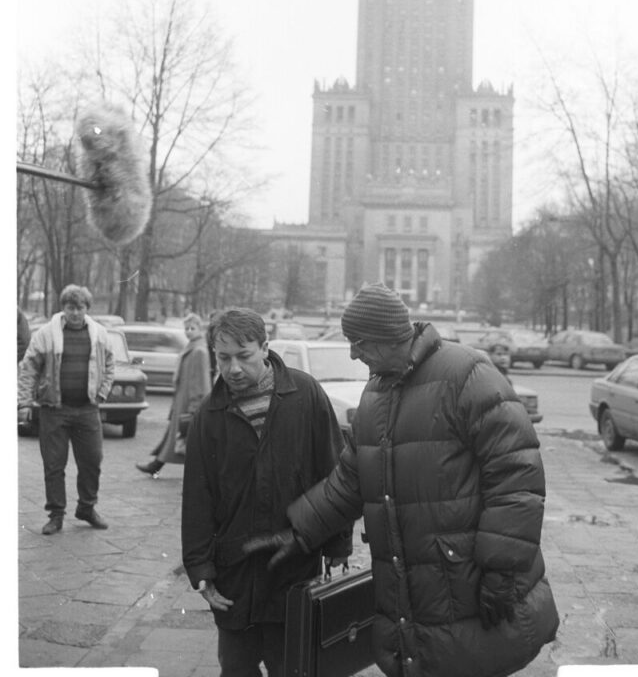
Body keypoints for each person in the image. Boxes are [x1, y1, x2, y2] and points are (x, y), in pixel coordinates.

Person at [244, 283, 559, 677]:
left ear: (389, 336)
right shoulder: (375, 392)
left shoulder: (468, 374)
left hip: (470, 581)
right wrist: (299, 531)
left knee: (469, 660)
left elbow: (517, 476)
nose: (353, 353)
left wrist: (502, 570)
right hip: (411, 591)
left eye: (358, 342)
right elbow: (350, 479)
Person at [181, 307, 352, 677]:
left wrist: (338, 544)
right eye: (223, 358)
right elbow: (197, 499)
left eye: (244, 356)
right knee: (236, 668)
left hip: (295, 566)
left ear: (265, 348)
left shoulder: (305, 394)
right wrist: (199, 567)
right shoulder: (208, 416)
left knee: (291, 667)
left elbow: (335, 475)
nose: (233, 368)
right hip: (235, 573)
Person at [17, 284, 115, 535]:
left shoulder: (100, 334)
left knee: (92, 461)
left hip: (87, 410)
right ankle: (56, 514)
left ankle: (87, 508)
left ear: (86, 308)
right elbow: (29, 367)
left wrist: (102, 393)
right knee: (53, 465)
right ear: (63, 308)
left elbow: (110, 364)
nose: (75, 313)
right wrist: (24, 402)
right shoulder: (46, 334)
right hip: (54, 410)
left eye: (80, 308)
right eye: (70, 307)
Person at [136, 312, 211, 477]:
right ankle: (156, 465)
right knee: (175, 438)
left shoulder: (199, 351)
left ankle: (157, 466)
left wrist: (194, 406)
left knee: (184, 440)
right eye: (186, 329)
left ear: (200, 329)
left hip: (189, 403)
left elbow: (199, 382)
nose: (189, 332)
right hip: (182, 401)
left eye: (192, 328)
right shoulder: (192, 347)